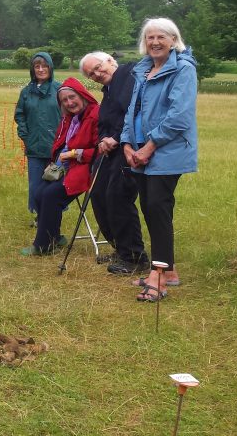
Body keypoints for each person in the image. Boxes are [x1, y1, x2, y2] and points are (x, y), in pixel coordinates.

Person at [121, 18, 197, 302]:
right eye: (150, 37)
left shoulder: (183, 70)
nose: (155, 42)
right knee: (149, 208)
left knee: (157, 206)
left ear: (173, 40)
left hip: (167, 151)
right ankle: (170, 270)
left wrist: (149, 147)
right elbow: (132, 111)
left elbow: (179, 116)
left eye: (161, 37)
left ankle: (158, 277)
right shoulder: (143, 70)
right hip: (139, 151)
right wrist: (128, 144)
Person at [80, 51, 148, 275]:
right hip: (109, 151)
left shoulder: (128, 76)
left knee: (118, 197)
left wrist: (116, 138)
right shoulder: (108, 91)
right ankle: (120, 247)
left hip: (129, 147)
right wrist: (102, 140)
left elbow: (133, 112)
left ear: (111, 61)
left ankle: (135, 257)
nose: (97, 74)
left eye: (99, 67)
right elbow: (103, 123)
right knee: (98, 195)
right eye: (91, 74)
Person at [20, 78, 100, 255]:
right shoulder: (69, 118)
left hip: (85, 169)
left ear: (82, 95)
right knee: (39, 193)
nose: (69, 103)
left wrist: (74, 154)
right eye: (64, 100)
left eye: (72, 97)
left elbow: (98, 150)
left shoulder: (95, 115)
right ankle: (54, 237)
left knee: (50, 195)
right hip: (63, 168)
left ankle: (43, 245)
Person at [13, 52, 61, 227]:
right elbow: (20, 115)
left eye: (44, 66)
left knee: (53, 184)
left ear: (50, 67)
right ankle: (40, 216)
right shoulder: (26, 92)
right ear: (33, 69)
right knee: (36, 186)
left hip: (56, 147)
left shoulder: (59, 89)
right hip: (34, 147)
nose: (41, 70)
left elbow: (69, 115)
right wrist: (25, 135)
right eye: (37, 66)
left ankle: (52, 218)